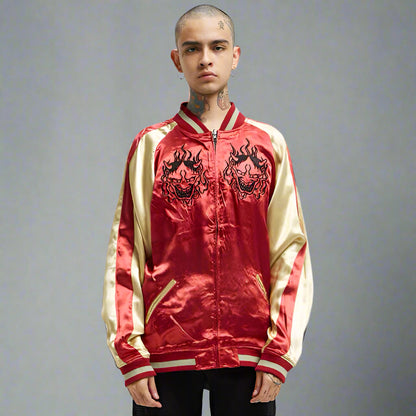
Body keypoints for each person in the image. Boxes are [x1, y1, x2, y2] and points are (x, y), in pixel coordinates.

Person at [102, 4, 313, 416]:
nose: (205, 59)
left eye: (217, 47)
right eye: (192, 48)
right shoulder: (152, 146)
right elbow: (126, 250)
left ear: (235, 56)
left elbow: (290, 249)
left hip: (249, 349)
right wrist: (130, 352)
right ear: (176, 59)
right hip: (166, 348)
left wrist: (280, 349)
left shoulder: (268, 144)